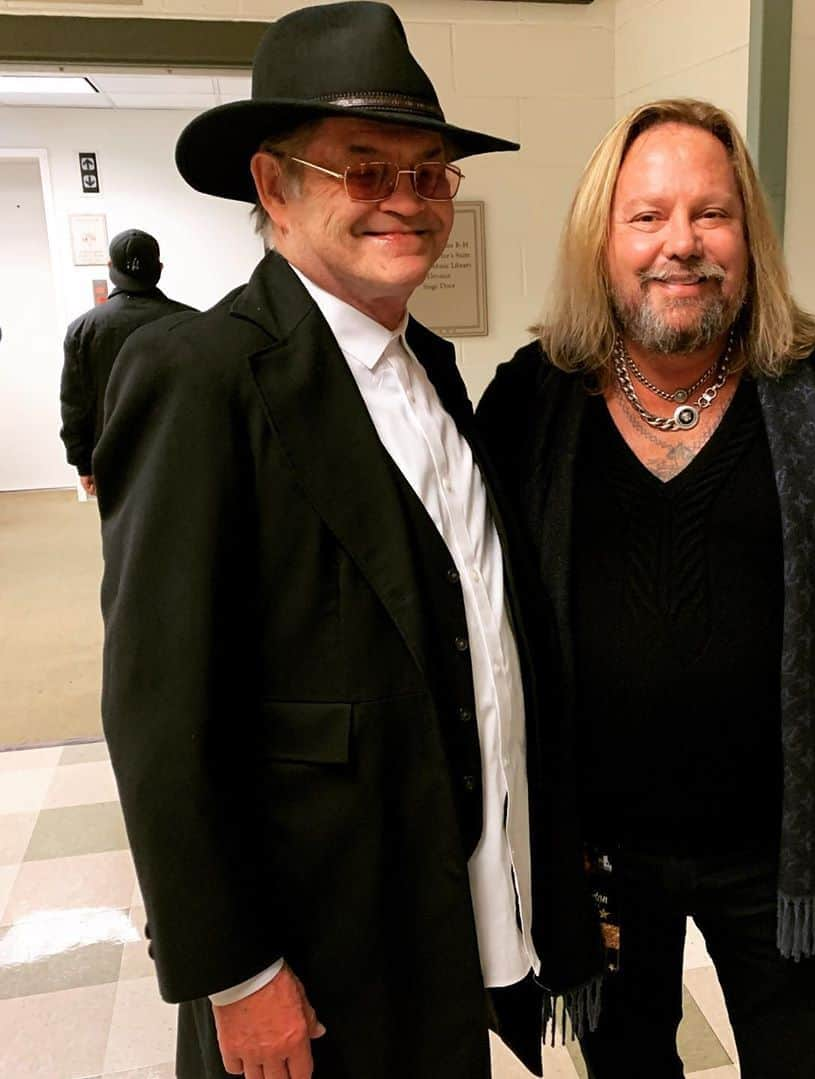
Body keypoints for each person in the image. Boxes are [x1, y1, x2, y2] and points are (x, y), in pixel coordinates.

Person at [93, 5, 600, 1078]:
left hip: (441, 900)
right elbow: (157, 707)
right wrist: (233, 970)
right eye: (364, 170)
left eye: (429, 175)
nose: (406, 201)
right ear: (274, 187)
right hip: (314, 941)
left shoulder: (437, 371)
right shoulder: (203, 374)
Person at [476, 98, 815, 1079]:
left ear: (750, 234)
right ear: (602, 240)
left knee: (798, 1062)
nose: (682, 244)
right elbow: (473, 611)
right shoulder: (533, 396)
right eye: (648, 215)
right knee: (626, 1065)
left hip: (776, 841)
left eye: (712, 213)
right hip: (594, 845)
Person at [59, 229, 193, 495]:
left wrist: (82, 462)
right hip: (178, 451)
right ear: (160, 268)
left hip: (112, 453)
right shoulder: (193, 322)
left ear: (111, 267)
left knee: (122, 532)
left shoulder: (83, 329)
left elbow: (75, 404)